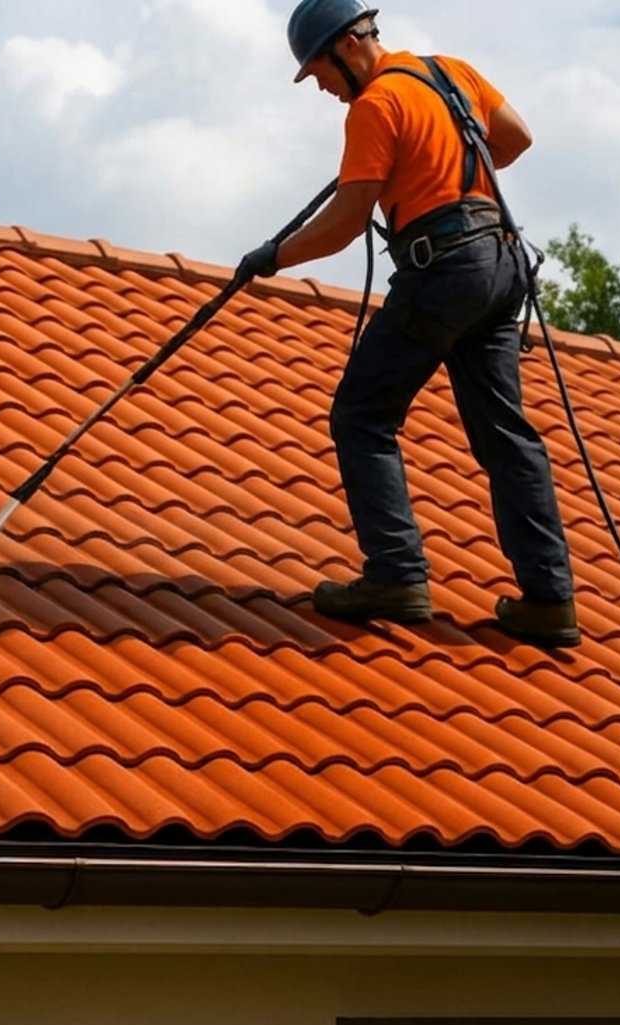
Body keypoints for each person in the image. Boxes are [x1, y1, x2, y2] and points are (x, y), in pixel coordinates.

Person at [237, 0, 580, 647]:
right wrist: (438, 172)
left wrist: (273, 256)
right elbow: (515, 138)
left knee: (362, 415)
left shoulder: (376, 107)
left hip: (444, 271)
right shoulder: (454, 75)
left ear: (346, 47)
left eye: (320, 75)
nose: (325, 92)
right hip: (502, 267)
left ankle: (396, 575)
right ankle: (549, 599)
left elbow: (343, 225)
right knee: (505, 433)